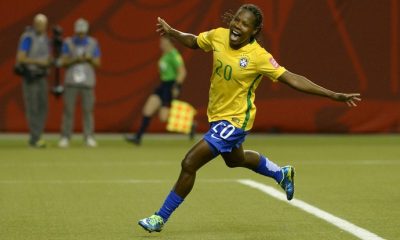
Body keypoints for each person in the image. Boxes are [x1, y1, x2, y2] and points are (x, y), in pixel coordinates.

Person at [138, 4, 361, 233]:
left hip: (235, 121)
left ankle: (159, 218)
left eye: (245, 24)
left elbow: (292, 78)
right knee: (235, 160)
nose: (237, 26)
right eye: (236, 20)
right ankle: (280, 172)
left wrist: (332, 95)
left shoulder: (258, 57)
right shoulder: (219, 36)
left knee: (189, 162)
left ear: (254, 31)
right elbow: (194, 41)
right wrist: (173, 32)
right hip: (217, 116)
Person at [125, 36, 187, 145]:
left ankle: (190, 125)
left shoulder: (174, 55)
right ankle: (138, 137)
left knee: (163, 118)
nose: (161, 43)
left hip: (170, 86)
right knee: (147, 110)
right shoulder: (165, 54)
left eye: (163, 41)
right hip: (162, 85)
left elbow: (182, 72)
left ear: (169, 42)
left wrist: (176, 87)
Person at [58, 18, 101, 148]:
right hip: (71, 81)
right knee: (68, 110)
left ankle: (88, 136)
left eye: (83, 33)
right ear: (76, 31)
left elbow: (98, 63)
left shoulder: (93, 43)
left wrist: (90, 59)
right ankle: (65, 136)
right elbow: (62, 62)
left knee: (88, 110)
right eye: (79, 33)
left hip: (87, 82)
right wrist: (75, 59)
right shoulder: (68, 42)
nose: (81, 35)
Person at [16, 14, 51, 148]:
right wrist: (38, 62)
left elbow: (47, 57)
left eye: (43, 24)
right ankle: (35, 137)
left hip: (42, 76)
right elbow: (21, 58)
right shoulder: (28, 37)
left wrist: (47, 62)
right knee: (33, 108)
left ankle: (38, 135)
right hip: (30, 75)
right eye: (38, 23)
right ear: (34, 24)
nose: (40, 26)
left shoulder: (46, 38)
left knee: (43, 107)